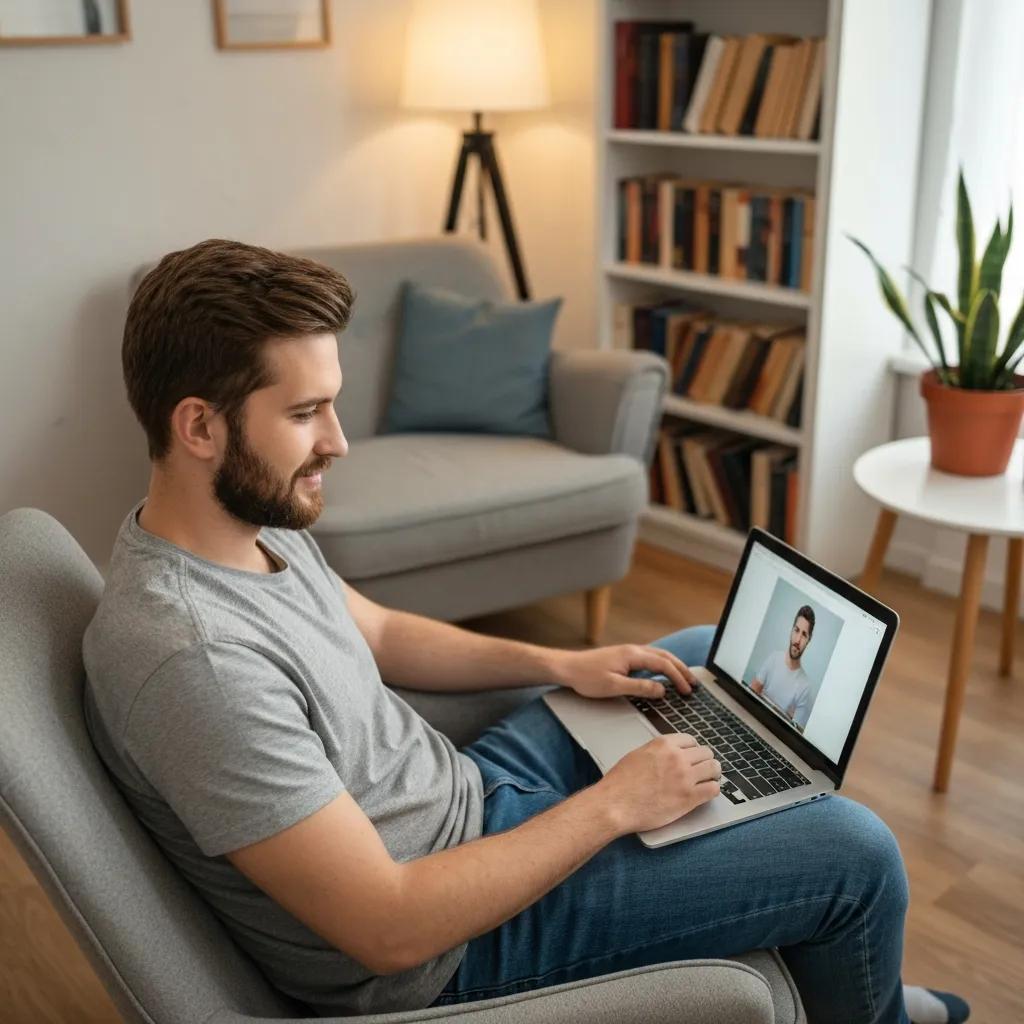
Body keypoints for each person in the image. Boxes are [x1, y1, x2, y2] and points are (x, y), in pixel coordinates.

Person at [82, 239, 969, 1024]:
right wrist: (616, 803)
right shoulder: (196, 662)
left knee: (694, 658)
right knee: (857, 855)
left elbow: (381, 634)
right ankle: (862, 965)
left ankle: (855, 980)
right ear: (199, 425)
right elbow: (387, 927)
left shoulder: (247, 524)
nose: (340, 443)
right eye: (307, 413)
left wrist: (566, 660)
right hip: (454, 943)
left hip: (468, 798)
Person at [750, 606, 815, 730]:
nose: (797, 640)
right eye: (796, 630)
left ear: (808, 640)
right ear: (791, 630)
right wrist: (785, 714)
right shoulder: (774, 658)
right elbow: (751, 693)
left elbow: (794, 732)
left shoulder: (805, 687)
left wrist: (764, 696)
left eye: (804, 635)